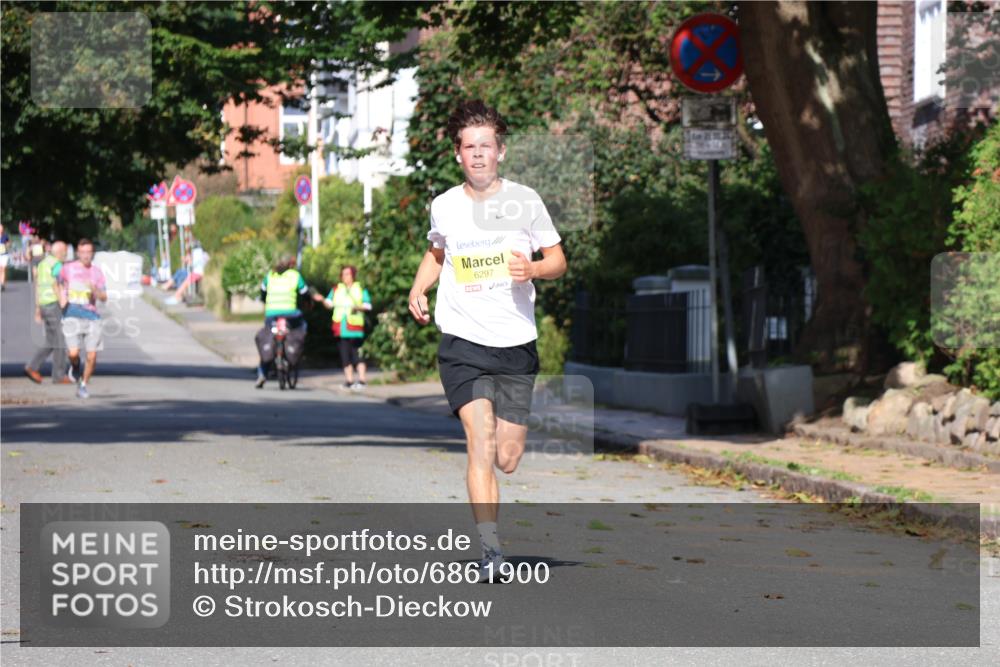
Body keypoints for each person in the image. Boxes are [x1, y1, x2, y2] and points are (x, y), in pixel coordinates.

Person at [407, 100, 567, 581]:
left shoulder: (525, 200)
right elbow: (437, 253)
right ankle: (491, 551)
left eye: (486, 146)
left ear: (500, 151)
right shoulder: (445, 206)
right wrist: (419, 286)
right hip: (462, 342)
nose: (477, 155)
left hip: (515, 341)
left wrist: (534, 268)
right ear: (458, 154)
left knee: (507, 457)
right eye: (469, 147)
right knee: (480, 443)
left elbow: (558, 260)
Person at [56, 239, 107, 399]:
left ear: (92, 253)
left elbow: (104, 297)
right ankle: (75, 366)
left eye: (89, 252)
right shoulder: (68, 269)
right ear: (78, 253)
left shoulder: (97, 272)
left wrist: (95, 290)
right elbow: (56, 283)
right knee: (73, 353)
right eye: (83, 252)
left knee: (92, 356)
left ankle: (83, 385)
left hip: (92, 317)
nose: (86, 256)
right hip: (71, 315)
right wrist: (61, 299)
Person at [313, 265, 372, 389]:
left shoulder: (360, 288)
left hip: (355, 327)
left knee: (358, 354)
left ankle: (362, 380)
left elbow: (368, 305)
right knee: (345, 355)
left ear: (353, 275)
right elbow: (329, 304)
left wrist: (358, 307)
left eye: (348, 274)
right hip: (340, 327)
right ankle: (349, 381)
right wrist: (322, 300)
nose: (345, 276)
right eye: (343, 274)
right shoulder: (336, 289)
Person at [255, 254, 308, 388]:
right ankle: (298, 350)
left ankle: (262, 372)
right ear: (291, 264)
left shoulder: (270, 276)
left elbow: (262, 293)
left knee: (268, 338)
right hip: (291, 314)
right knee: (303, 325)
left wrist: (266, 301)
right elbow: (305, 293)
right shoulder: (295, 275)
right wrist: (307, 303)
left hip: (272, 314)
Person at [25, 241, 72, 384]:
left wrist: (38, 308)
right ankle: (59, 375)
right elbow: (56, 284)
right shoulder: (57, 264)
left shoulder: (43, 263)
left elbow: (38, 285)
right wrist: (63, 302)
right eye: (65, 252)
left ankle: (33, 366)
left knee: (51, 341)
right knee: (59, 341)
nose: (66, 255)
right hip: (53, 304)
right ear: (60, 252)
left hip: (45, 305)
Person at [0, 223, 10, 291]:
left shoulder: (5, 236)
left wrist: (7, 245)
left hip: (4, 255)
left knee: (3, 268)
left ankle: (2, 284)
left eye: (2, 228)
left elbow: (9, 243)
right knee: (0, 269)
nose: (1, 229)